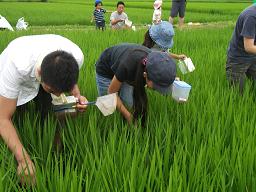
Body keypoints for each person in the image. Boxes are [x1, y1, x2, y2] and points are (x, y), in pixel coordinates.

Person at [0, 34, 87, 184]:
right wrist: (23, 161)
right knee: (18, 114)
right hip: (19, 65)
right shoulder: (16, 64)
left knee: (47, 112)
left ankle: (48, 144)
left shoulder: (76, 56)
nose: (59, 95)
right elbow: (2, 118)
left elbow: (69, 81)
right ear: (40, 73)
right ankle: (21, 148)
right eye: (54, 91)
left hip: (47, 73)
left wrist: (77, 96)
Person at [95, 43, 176, 126]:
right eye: (156, 86)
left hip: (126, 70)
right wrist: (128, 116)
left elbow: (166, 73)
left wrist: (178, 95)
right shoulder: (128, 65)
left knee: (128, 103)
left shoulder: (155, 64)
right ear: (145, 75)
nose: (158, 89)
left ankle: (124, 126)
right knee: (108, 107)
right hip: (106, 70)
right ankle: (105, 127)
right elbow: (111, 93)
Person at [226, 4, 256, 93]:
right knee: (238, 93)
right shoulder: (251, 16)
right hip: (238, 58)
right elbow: (249, 47)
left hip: (254, 56)